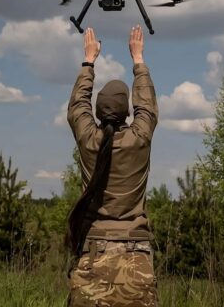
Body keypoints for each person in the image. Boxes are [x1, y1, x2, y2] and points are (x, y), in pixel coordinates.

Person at [66, 25, 158, 307]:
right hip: (136, 257)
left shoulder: (89, 140)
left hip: (93, 253)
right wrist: (138, 59)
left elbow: (76, 106)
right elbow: (148, 107)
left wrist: (89, 61)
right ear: (127, 111)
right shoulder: (138, 139)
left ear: (97, 111)